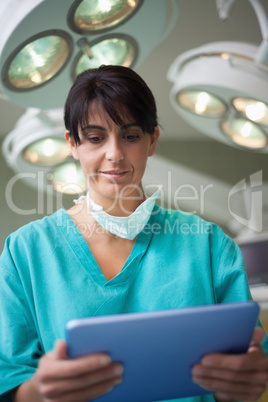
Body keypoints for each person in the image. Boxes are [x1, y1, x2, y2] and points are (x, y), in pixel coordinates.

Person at [0, 65, 268, 402]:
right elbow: (9, 378)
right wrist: (39, 391)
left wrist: (241, 384)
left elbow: (242, 378)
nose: (114, 154)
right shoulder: (26, 252)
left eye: (130, 136)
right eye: (96, 138)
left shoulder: (209, 246)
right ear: (72, 143)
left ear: (152, 139)